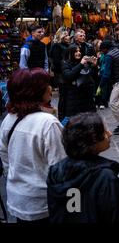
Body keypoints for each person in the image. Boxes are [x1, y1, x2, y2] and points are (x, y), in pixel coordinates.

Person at [0, 68, 66, 223]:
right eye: (47, 84)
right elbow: (61, 168)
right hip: (44, 203)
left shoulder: (8, 119)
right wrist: (73, 205)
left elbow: (6, 160)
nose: (50, 88)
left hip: (19, 199)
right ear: (35, 91)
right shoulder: (47, 123)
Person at [46, 112, 119, 223]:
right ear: (91, 140)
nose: (109, 134)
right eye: (104, 132)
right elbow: (118, 217)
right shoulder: (105, 177)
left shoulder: (55, 171)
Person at [60, 45, 97, 123]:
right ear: (70, 53)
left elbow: (90, 77)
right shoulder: (65, 63)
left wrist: (94, 66)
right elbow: (69, 76)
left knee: (89, 121)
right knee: (73, 122)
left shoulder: (84, 63)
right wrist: (81, 64)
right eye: (76, 51)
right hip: (73, 99)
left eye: (79, 51)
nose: (79, 53)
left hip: (87, 98)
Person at [49, 29, 70, 119]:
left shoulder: (66, 45)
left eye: (68, 35)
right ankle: (62, 116)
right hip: (61, 73)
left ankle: (66, 114)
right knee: (63, 94)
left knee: (66, 94)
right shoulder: (57, 46)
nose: (68, 37)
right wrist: (66, 66)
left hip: (65, 72)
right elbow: (56, 61)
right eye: (66, 35)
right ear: (61, 37)